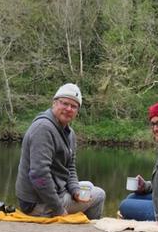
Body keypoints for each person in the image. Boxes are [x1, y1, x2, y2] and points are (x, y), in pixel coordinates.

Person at [15, 83, 105, 219]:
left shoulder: (69, 133)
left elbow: (70, 168)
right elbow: (39, 175)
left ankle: (79, 226)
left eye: (74, 106)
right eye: (64, 103)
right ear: (54, 103)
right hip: (36, 202)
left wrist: (75, 191)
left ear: (77, 111)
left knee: (87, 186)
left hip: (54, 192)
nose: (69, 109)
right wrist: (59, 210)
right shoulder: (43, 128)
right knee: (99, 195)